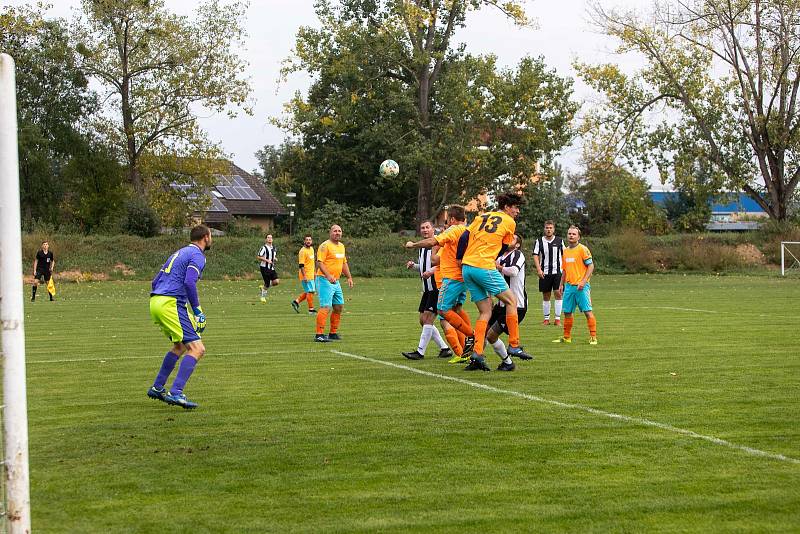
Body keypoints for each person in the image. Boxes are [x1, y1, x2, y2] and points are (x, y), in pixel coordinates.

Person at [457, 193, 531, 371]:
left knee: (485, 312)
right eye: (515, 207)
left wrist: (461, 258)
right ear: (506, 207)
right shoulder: (509, 222)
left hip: (467, 267)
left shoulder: (481, 216)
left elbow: (464, 238)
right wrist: (491, 258)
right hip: (484, 266)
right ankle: (513, 344)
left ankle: (477, 353)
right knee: (511, 300)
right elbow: (505, 247)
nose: (517, 211)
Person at [147, 225, 212, 409]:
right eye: (210, 236)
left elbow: (155, 281)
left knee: (181, 345)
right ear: (205, 237)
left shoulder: (179, 253)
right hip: (171, 303)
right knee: (197, 348)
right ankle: (176, 393)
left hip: (157, 301)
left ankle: (158, 387)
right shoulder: (197, 256)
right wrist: (198, 311)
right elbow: (189, 282)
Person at [405, 205, 474, 364]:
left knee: (442, 314)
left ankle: (469, 338)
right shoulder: (467, 232)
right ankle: (463, 351)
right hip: (458, 278)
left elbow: (436, 259)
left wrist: (415, 244)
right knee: (452, 312)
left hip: (447, 280)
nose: (445, 228)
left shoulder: (451, 233)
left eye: (427, 227)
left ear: (451, 220)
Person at [402, 220, 453, 360]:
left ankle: (420, 352)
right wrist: (414, 266)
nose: (425, 230)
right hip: (427, 288)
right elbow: (424, 266)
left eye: (427, 227)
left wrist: (431, 271)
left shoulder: (438, 244)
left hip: (437, 286)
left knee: (428, 318)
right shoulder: (422, 246)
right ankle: (444, 348)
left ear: (433, 229)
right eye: (422, 228)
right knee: (423, 320)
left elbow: (444, 264)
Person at [486, 234, 531, 364]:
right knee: (484, 331)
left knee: (491, 335)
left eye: (512, 239)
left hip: (516, 306)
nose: (508, 240)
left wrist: (498, 267)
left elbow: (513, 271)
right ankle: (476, 357)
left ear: (517, 244)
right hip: (501, 305)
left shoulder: (517, 254)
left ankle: (509, 360)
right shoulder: (500, 256)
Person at [552, 225, 597, 345]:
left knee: (587, 311)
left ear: (578, 236)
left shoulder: (583, 249)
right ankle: (567, 337)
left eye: (574, 234)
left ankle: (593, 337)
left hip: (581, 287)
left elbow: (591, 266)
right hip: (569, 286)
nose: (571, 236)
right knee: (567, 312)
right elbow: (565, 270)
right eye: (569, 234)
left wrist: (583, 281)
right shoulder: (565, 251)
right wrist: (561, 284)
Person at [314, 224, 354, 342]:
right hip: (324, 280)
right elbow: (320, 263)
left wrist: (349, 277)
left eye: (339, 231)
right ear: (330, 233)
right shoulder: (325, 246)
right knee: (326, 307)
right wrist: (328, 275)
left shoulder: (341, 246)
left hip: (335, 281)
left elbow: (343, 263)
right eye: (335, 231)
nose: (338, 233)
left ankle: (332, 333)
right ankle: (319, 334)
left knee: (338, 306)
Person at [533, 220, 564, 326]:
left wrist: (565, 269)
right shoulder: (539, 241)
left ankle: (557, 319)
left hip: (558, 272)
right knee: (546, 295)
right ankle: (546, 319)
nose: (549, 230)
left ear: (554, 229)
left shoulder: (560, 241)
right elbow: (535, 255)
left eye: (550, 228)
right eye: (547, 228)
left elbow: (565, 255)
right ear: (544, 229)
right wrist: (538, 269)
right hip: (544, 272)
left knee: (558, 293)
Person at [292, 234, 317, 314]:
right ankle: (311, 310)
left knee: (309, 291)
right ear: (304, 241)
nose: (308, 241)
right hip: (306, 275)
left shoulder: (312, 249)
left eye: (310, 240)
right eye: (307, 240)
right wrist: (305, 276)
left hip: (311, 274)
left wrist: (314, 272)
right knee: (311, 291)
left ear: (311, 241)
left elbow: (312, 262)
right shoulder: (302, 251)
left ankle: (296, 302)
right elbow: (301, 265)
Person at [257, 234, 279, 302]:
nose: (270, 239)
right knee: (267, 283)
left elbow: (272, 255)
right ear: (266, 239)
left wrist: (274, 258)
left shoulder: (274, 248)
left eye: (271, 237)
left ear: (272, 239)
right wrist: (267, 260)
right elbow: (258, 256)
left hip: (271, 267)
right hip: (264, 267)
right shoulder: (264, 248)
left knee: (276, 282)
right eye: (268, 237)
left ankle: (263, 288)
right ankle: (262, 297)